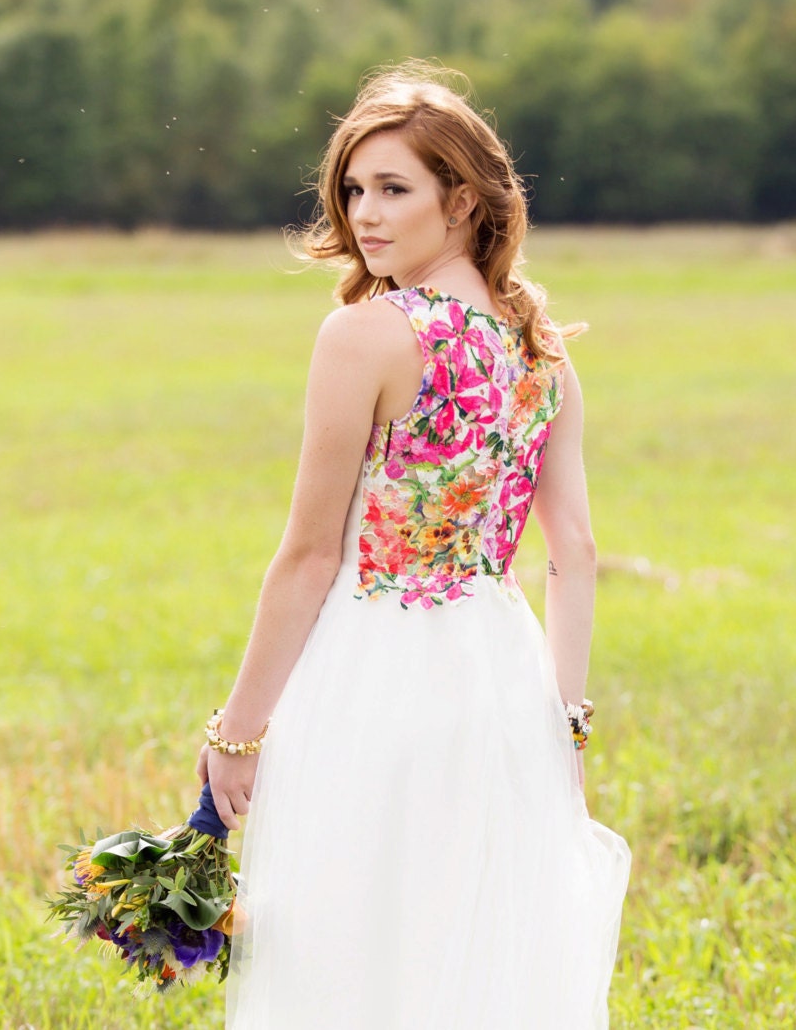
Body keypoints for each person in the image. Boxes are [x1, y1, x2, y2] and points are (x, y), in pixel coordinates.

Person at [196, 62, 630, 1030]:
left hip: (376, 667)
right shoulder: (541, 349)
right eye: (352, 189)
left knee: (351, 949)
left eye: (394, 189)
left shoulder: (365, 336)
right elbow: (574, 554)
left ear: (462, 199)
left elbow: (310, 559)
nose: (364, 215)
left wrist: (236, 732)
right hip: (504, 675)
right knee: (470, 951)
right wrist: (562, 726)